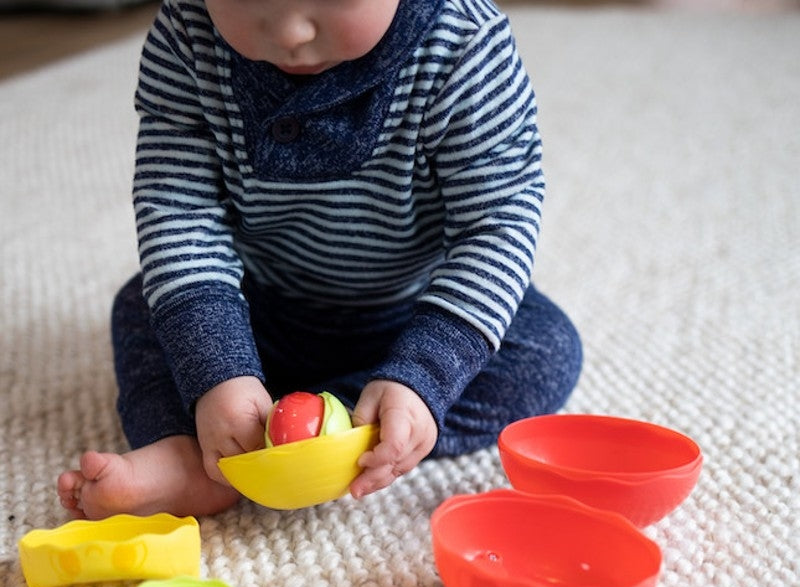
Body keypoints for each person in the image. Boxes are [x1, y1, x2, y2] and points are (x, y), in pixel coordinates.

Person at [57, 0, 582, 520]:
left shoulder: (464, 43)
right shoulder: (187, 33)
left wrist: (424, 376)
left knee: (545, 349)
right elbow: (177, 209)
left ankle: (351, 426)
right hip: (257, 311)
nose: (289, 31)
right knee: (146, 305)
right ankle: (187, 453)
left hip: (410, 316)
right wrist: (218, 372)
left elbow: (495, 224)